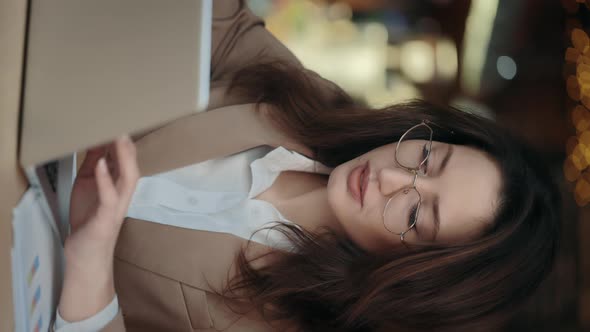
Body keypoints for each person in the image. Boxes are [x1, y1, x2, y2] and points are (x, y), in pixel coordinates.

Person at [53, 1, 561, 331]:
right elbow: (219, 22)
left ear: (413, 277)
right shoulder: (318, 109)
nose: (388, 178)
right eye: (426, 158)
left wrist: (92, 260)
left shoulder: (294, 320)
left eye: (414, 216)